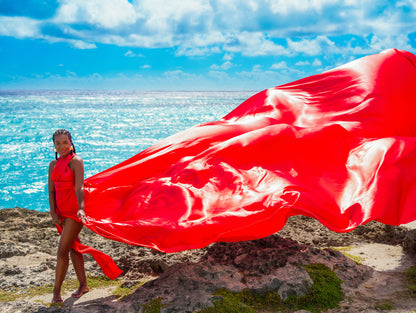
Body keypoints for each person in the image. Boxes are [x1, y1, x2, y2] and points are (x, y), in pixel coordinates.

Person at [48, 129, 89, 303]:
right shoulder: (52, 165)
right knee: (74, 248)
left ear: (71, 143)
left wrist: (81, 208)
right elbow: (51, 191)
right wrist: (53, 212)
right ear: (53, 146)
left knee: (62, 251)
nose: (62, 146)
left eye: (65, 142)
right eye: (57, 143)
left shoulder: (76, 161)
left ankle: (56, 292)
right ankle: (83, 285)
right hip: (61, 213)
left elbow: (79, 187)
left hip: (73, 212)